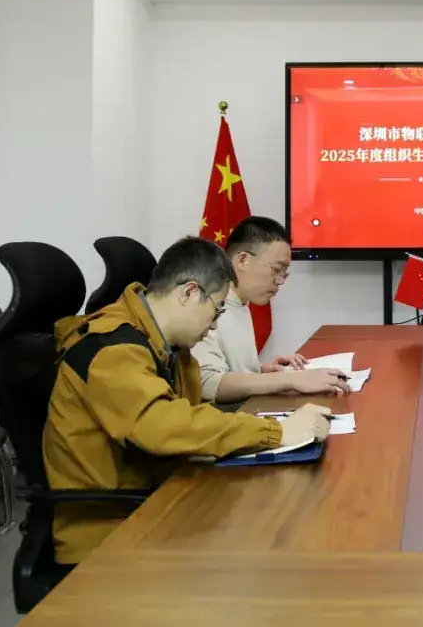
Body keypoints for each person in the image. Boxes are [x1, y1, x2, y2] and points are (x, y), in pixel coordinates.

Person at [43, 236, 332, 567]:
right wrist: (276, 432)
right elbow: (162, 425)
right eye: (216, 309)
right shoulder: (111, 349)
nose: (215, 324)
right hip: (109, 530)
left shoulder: (168, 347)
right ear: (189, 293)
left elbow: (192, 414)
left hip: (160, 496)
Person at [192, 216, 349, 403]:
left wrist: (261, 370)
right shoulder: (207, 305)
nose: (280, 281)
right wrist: (288, 380)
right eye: (276, 270)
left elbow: (228, 369)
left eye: (284, 274)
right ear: (242, 260)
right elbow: (208, 385)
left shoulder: (241, 302)